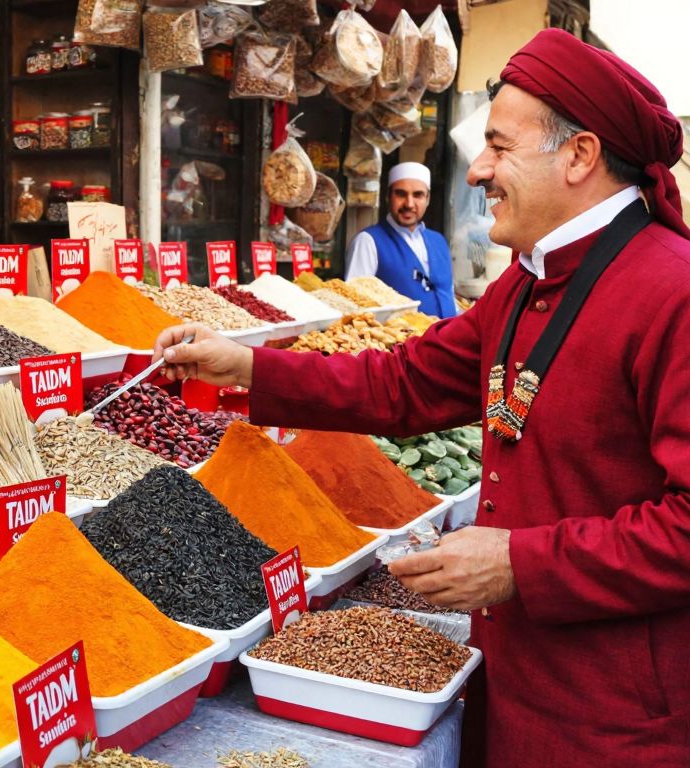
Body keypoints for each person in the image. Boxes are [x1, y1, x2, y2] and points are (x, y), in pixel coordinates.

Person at [154, 28, 690, 767]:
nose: (477, 172)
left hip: (617, 720)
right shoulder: (526, 283)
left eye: (500, 146)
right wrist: (247, 366)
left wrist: (521, 564)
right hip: (511, 689)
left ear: (579, 155)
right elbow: (402, 384)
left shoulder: (672, 291)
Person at [346, 162, 460, 318]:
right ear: (388, 197)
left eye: (418, 195)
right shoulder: (368, 241)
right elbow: (355, 303)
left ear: (427, 199)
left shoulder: (438, 241)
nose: (409, 204)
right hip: (400, 340)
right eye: (401, 194)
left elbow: (449, 294)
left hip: (448, 337)